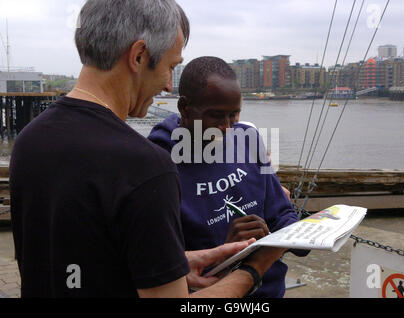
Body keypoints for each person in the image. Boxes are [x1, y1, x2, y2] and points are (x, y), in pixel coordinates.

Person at [10, 0, 286, 298]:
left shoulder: (30, 141)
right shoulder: (144, 166)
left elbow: (82, 258)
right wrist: (253, 269)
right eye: (171, 66)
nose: (169, 85)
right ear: (139, 56)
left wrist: (177, 263)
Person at [148, 56, 309, 298]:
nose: (226, 127)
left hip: (269, 292)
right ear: (184, 107)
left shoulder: (249, 139)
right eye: (215, 115)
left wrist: (307, 235)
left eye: (234, 115)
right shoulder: (157, 165)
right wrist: (228, 248)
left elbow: (281, 212)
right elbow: (164, 267)